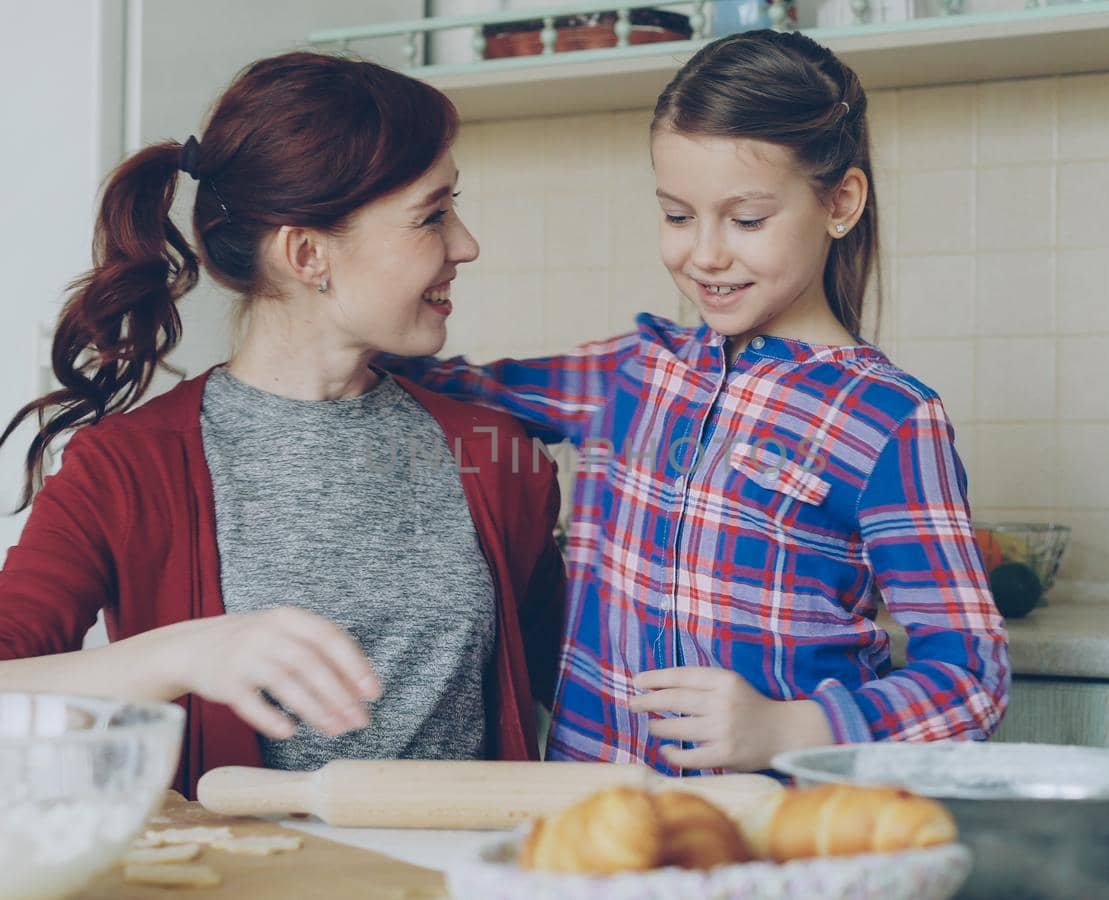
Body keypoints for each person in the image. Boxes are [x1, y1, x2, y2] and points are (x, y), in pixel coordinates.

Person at [0, 52, 565, 796]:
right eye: (432, 215)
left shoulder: (492, 454)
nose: (465, 244)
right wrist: (186, 654)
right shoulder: (129, 466)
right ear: (307, 254)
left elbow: (575, 684)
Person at [383, 30, 1008, 775]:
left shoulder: (889, 419)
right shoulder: (633, 371)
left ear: (840, 202)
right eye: (679, 216)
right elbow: (448, 388)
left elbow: (970, 678)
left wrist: (788, 727)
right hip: (596, 831)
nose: (705, 253)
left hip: (772, 842)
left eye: (746, 220)